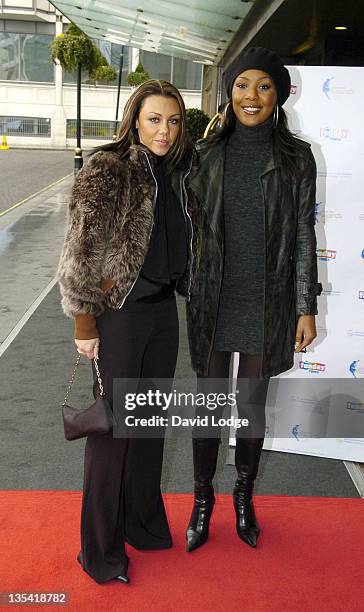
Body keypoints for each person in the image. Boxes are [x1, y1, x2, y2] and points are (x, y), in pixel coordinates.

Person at [57, 80, 199, 584]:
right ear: (135, 118)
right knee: (112, 433)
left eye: (174, 120)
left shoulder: (179, 173)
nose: (164, 130)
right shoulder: (108, 167)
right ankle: (99, 553)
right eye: (155, 119)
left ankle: (142, 525)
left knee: (147, 430)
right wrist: (84, 320)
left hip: (162, 315)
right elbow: (81, 247)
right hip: (118, 315)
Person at [185, 47, 322, 552]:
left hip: (268, 299)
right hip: (215, 297)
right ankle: (202, 501)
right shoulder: (205, 154)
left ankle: (243, 497)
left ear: (279, 95)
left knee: (251, 406)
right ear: (230, 92)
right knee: (209, 405)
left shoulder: (296, 157)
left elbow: (304, 234)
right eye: (243, 85)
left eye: (264, 86)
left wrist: (305, 303)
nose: (252, 96)